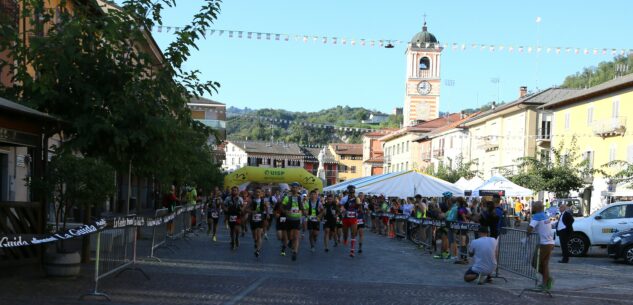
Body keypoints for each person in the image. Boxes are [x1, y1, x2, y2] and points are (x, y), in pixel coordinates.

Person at [527, 201, 555, 291]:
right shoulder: (545, 215)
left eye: (534, 206)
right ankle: (545, 283)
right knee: (544, 264)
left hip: (544, 244)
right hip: (550, 243)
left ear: (537, 208)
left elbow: (530, 229)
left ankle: (547, 279)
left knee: (535, 263)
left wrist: (528, 232)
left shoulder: (537, 216)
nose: (532, 208)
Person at [281, 182, 305, 261]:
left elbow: (302, 208)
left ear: (298, 188)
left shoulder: (300, 198)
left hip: (297, 219)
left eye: (296, 187)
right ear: (291, 188)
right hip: (289, 219)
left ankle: (295, 252)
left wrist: (305, 213)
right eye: (293, 187)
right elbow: (281, 207)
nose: (294, 189)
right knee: (289, 236)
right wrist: (285, 212)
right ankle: (289, 242)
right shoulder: (287, 197)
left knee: (296, 237)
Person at [340, 185, 362, 257]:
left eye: (353, 192)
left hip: (353, 218)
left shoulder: (357, 199)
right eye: (350, 192)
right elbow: (339, 206)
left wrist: (359, 205)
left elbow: (359, 208)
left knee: (353, 233)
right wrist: (342, 208)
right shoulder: (344, 199)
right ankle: (345, 239)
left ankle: (352, 250)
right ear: (348, 192)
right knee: (345, 234)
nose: (352, 194)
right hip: (346, 218)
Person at [246, 187, 268, 257]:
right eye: (256, 192)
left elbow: (267, 208)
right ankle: (255, 242)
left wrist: (267, 214)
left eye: (259, 192)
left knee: (259, 236)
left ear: (261, 193)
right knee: (254, 236)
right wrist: (252, 211)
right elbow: (246, 209)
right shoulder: (251, 201)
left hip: (261, 220)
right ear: (254, 193)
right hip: (253, 220)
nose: (257, 193)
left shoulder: (264, 201)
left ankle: (258, 250)